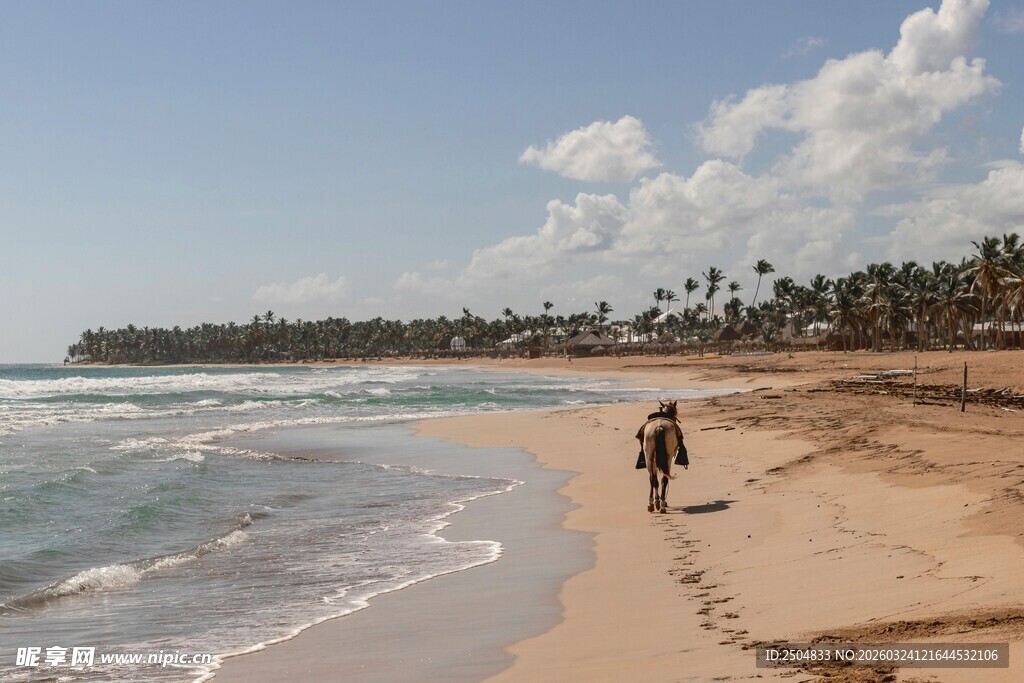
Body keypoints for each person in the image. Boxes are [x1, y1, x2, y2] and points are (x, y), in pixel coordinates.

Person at [634, 400, 687, 469]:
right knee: (680, 438)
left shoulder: (655, 417)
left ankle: (642, 455)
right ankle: (682, 455)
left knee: (641, 437)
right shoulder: (671, 420)